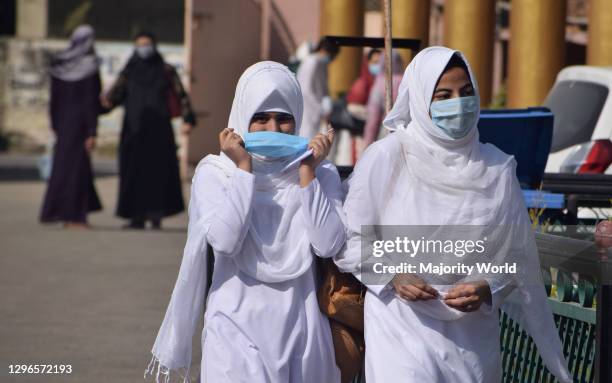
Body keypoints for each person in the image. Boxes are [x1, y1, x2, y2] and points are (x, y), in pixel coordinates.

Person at [335, 47, 572, 382]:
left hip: (471, 339)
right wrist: (393, 275)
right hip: (400, 324)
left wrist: (487, 286)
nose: (458, 103)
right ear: (419, 99)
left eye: (466, 92)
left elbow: (515, 254)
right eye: (443, 95)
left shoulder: (496, 168)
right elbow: (349, 236)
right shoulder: (388, 157)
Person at [147, 61, 344, 383]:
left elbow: (328, 244)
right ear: (242, 118)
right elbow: (225, 242)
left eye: (284, 120)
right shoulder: (217, 173)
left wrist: (307, 172)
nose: (272, 129)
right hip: (234, 325)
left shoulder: (321, 173)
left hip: (302, 325)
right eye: (260, 118)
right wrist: (244, 171)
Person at [102, 31, 196, 230]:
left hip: (159, 132)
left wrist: (188, 119)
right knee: (133, 172)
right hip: (133, 131)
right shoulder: (129, 71)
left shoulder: (165, 70)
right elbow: (115, 96)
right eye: (140, 44)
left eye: (147, 44)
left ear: (154, 45)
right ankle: (136, 217)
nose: (144, 49)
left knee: (158, 173)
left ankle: (156, 216)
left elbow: (181, 95)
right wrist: (100, 106)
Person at [40, 25, 102, 228]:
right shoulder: (90, 66)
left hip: (63, 124)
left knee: (62, 168)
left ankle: (60, 213)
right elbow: (90, 102)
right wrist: (92, 131)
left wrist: (55, 124)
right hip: (81, 126)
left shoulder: (60, 64)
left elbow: (54, 100)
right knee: (78, 170)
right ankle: (76, 217)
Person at [297, 38, 339, 139]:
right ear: (325, 50)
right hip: (308, 110)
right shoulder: (311, 63)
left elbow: (323, 88)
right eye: (332, 55)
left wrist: (326, 104)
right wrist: (320, 109)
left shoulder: (322, 64)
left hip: (316, 111)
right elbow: (306, 91)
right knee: (307, 138)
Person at [362, 51, 404, 148]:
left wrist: (367, 145)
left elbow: (373, 118)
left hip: (386, 134)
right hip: (406, 135)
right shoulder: (406, 80)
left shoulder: (381, 82)